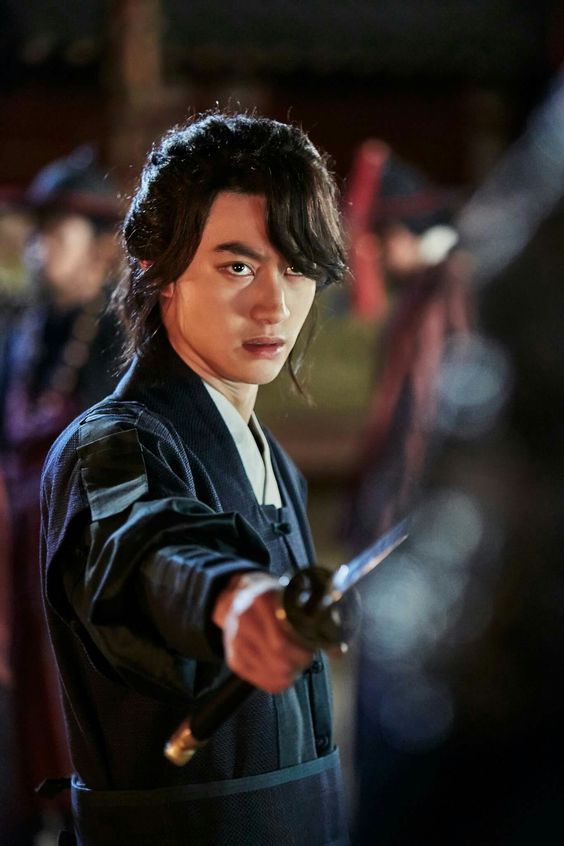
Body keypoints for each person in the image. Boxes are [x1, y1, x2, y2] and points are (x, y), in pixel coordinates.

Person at [40, 112, 349, 845]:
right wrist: (230, 597)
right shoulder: (111, 446)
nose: (276, 304)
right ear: (159, 269)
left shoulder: (276, 463)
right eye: (238, 266)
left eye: (296, 267)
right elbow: (142, 548)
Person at [0, 147, 122, 844]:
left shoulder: (117, 337)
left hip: (76, 545)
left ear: (102, 248)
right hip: (14, 540)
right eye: (37, 233)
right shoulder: (24, 329)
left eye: (56, 233)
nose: (38, 248)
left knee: (73, 686)